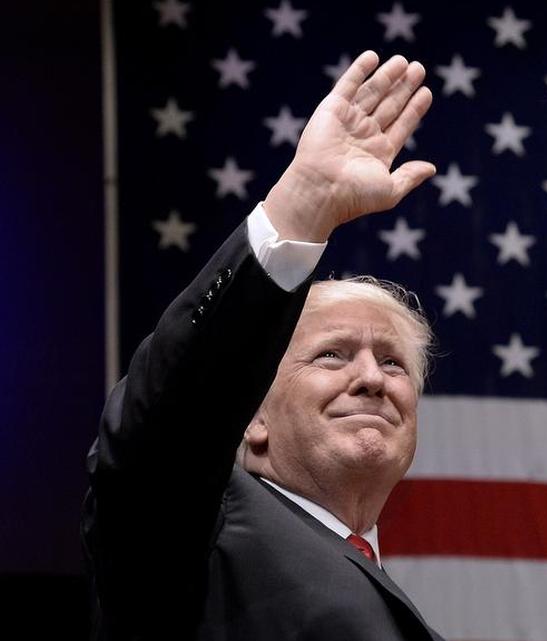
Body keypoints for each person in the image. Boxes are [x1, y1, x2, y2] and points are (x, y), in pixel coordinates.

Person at [83, 51, 443, 640]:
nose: (372, 379)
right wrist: (302, 206)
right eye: (332, 354)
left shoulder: (379, 585)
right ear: (251, 415)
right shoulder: (198, 524)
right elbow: (164, 426)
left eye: (392, 362)